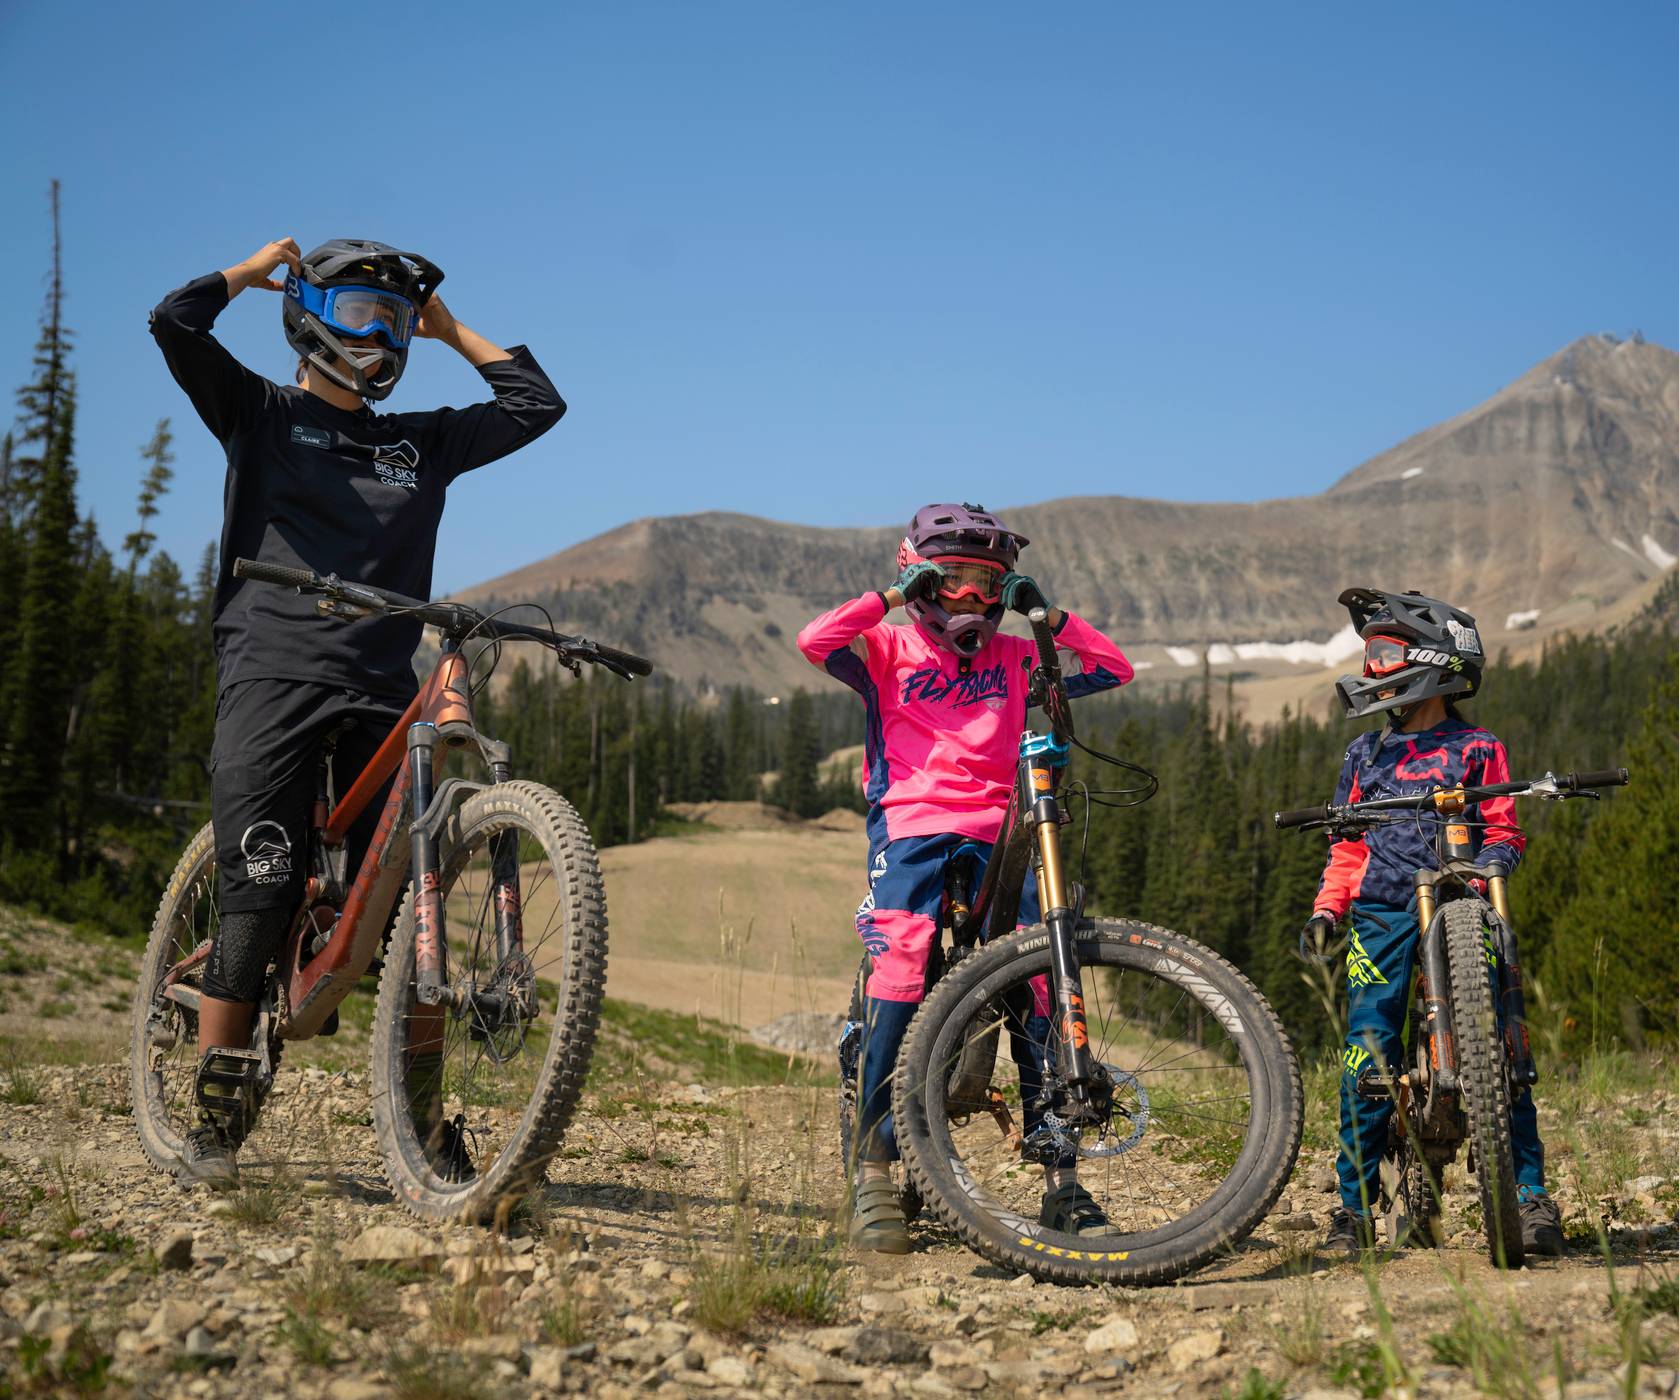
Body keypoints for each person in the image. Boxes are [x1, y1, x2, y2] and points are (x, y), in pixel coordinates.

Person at [150, 237, 566, 1187]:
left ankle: (417, 1125)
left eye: (391, 318)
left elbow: (535, 405)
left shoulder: (416, 442)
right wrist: (247, 276)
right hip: (274, 674)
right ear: (309, 318)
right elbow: (174, 325)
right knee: (262, 883)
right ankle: (219, 1096)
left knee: (406, 909)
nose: (378, 336)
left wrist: (449, 326)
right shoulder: (259, 413)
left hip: (383, 690)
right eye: (358, 314)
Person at [796, 503, 1134, 1252]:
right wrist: (887, 598)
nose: (968, 599)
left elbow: (1113, 670)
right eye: (950, 580)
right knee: (903, 959)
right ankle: (875, 1167)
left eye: (986, 583)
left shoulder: (1015, 657)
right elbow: (814, 641)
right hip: (910, 824)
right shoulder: (885, 647)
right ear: (916, 571)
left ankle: (1061, 1176)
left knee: (1038, 975)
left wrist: (1045, 616)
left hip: (1002, 825)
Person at [1304, 587, 1563, 1256]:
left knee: (1507, 1052)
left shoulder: (1478, 746)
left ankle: (1529, 1199)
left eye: (1385, 652)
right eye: (1369, 655)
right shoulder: (1363, 756)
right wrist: (1328, 908)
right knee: (1365, 1054)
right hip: (1383, 912)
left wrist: (1488, 866)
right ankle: (1353, 1209)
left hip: (1464, 902)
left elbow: (1503, 830)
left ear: (1432, 661)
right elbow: (1348, 846)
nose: (1373, 667)